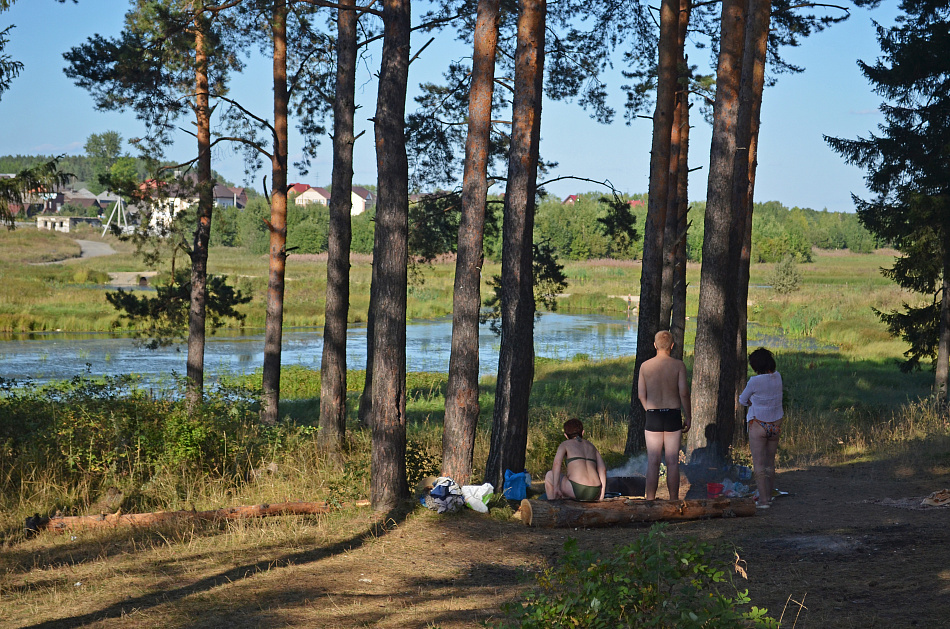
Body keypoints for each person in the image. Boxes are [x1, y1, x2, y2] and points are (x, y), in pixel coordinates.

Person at [638, 329, 691, 500]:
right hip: (672, 414)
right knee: (672, 462)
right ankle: (674, 501)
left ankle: (650, 501)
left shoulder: (645, 366)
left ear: (655, 345)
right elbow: (684, 392)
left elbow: (641, 394)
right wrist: (688, 416)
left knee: (653, 462)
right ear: (672, 346)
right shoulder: (678, 365)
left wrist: (649, 410)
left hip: (653, 414)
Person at [739, 347, 784, 509]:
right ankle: (769, 495)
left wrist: (752, 402)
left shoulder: (754, 381)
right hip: (775, 425)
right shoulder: (777, 377)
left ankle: (763, 501)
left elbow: (742, 400)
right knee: (770, 462)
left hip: (758, 424)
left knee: (758, 464)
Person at [544, 418, 607, 502]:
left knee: (549, 475)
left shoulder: (565, 444)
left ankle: (553, 508)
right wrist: (602, 494)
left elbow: (556, 464)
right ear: (583, 432)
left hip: (577, 489)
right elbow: (603, 469)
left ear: (566, 435)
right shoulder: (591, 446)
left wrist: (556, 487)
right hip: (595, 491)